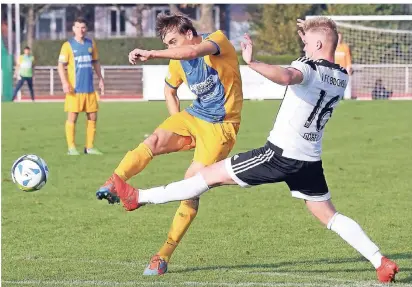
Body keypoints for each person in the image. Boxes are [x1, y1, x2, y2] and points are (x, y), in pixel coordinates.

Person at [97, 17, 399, 283]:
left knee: (205, 178)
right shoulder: (341, 76)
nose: (303, 47)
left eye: (306, 42)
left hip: (278, 155)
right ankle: (380, 261)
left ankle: (138, 197)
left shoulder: (305, 67)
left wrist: (252, 62)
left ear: (319, 43)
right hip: (309, 161)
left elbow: (288, 76)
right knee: (330, 216)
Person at [96, 13, 243, 276]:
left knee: (190, 187)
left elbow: (192, 52)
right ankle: (115, 182)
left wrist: (152, 55)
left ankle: (162, 256)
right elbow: (169, 89)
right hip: (193, 116)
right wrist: (174, 121)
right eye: (167, 45)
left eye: (173, 41)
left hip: (221, 127)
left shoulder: (217, 40)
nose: (171, 49)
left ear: (188, 33)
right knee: (152, 140)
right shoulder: (176, 60)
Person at [58, 17, 104, 156]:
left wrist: (100, 78)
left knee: (93, 117)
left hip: (89, 89)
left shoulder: (91, 44)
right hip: (74, 90)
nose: (81, 30)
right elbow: (61, 65)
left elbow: (95, 62)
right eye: (78, 27)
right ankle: (71, 148)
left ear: (86, 29)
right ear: (73, 29)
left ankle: (89, 147)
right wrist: (65, 83)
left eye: (83, 27)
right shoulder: (68, 45)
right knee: (73, 117)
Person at [335, 32, 353, 99]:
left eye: (340, 37)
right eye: (338, 37)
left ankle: (347, 99)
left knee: (347, 85)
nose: (339, 39)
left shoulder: (345, 47)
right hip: (335, 70)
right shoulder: (332, 47)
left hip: (344, 70)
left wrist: (349, 68)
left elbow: (348, 58)